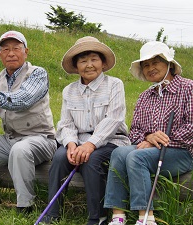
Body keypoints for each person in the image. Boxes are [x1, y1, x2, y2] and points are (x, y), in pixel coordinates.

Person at [40, 36, 130, 225]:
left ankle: (97, 216)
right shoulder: (69, 90)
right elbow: (65, 123)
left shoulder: (115, 85)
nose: (89, 65)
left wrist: (90, 145)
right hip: (78, 142)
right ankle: (52, 213)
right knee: (59, 157)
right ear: (76, 66)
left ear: (103, 63)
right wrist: (71, 144)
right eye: (83, 61)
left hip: (111, 141)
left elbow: (113, 119)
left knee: (92, 160)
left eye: (94, 59)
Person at [0, 30, 57, 213]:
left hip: (41, 138)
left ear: (26, 51)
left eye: (16, 48)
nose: (11, 53)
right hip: (11, 138)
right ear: (0, 54)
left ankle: (25, 204)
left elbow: (23, 99)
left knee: (20, 150)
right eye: (5, 49)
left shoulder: (37, 73)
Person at [104, 41, 193, 225]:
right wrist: (148, 137)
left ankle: (146, 218)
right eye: (146, 65)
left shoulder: (188, 88)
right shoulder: (145, 96)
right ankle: (118, 216)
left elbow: (191, 127)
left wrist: (157, 142)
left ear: (168, 63)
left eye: (155, 62)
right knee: (119, 153)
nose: (150, 68)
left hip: (182, 152)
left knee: (137, 158)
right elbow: (135, 131)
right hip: (151, 150)